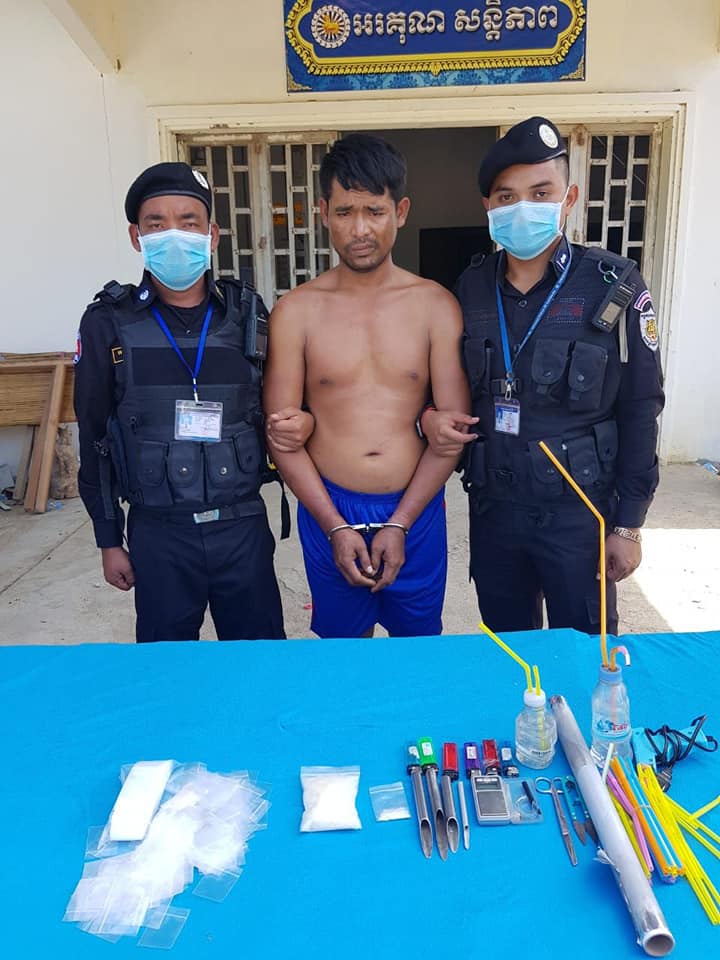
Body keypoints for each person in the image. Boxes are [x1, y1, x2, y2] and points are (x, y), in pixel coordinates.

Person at [421, 117, 665, 636]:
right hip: (495, 508)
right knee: (509, 650)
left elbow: (642, 405)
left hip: (579, 512)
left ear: (568, 198)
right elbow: (438, 384)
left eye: (540, 193)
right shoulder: (470, 289)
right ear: (488, 206)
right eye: (506, 196)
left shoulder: (613, 284)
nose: (522, 208)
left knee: (586, 650)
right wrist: (429, 418)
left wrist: (629, 523)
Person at [74, 161, 313, 642]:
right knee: (167, 668)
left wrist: (302, 421)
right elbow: (93, 435)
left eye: (189, 222)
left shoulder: (248, 314)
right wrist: (108, 540)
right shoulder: (107, 322)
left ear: (212, 234)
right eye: (156, 224)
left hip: (242, 525)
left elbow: (283, 405)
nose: (174, 235)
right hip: (159, 532)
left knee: (257, 662)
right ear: (136, 237)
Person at [263, 134, 470, 638]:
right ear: (323, 213)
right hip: (329, 505)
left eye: (374, 211)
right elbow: (281, 436)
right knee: (343, 655)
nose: (359, 230)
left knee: (418, 652)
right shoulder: (296, 312)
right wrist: (334, 524)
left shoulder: (435, 306)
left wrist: (401, 522)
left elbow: (452, 434)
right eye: (344, 212)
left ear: (400, 211)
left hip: (416, 508)